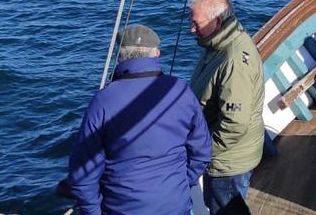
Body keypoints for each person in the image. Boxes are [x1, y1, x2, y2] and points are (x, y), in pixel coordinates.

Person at [61, 24, 211, 215]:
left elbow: (84, 172)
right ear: (156, 53)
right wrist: (180, 184)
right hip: (175, 204)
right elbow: (202, 152)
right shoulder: (181, 91)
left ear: (121, 55)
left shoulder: (103, 101)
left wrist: (93, 211)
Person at [187, 0, 264, 214]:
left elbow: (234, 124)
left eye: (196, 23)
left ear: (218, 21)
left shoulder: (233, 60)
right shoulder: (216, 43)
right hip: (226, 156)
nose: (192, 29)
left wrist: (204, 151)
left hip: (227, 163)